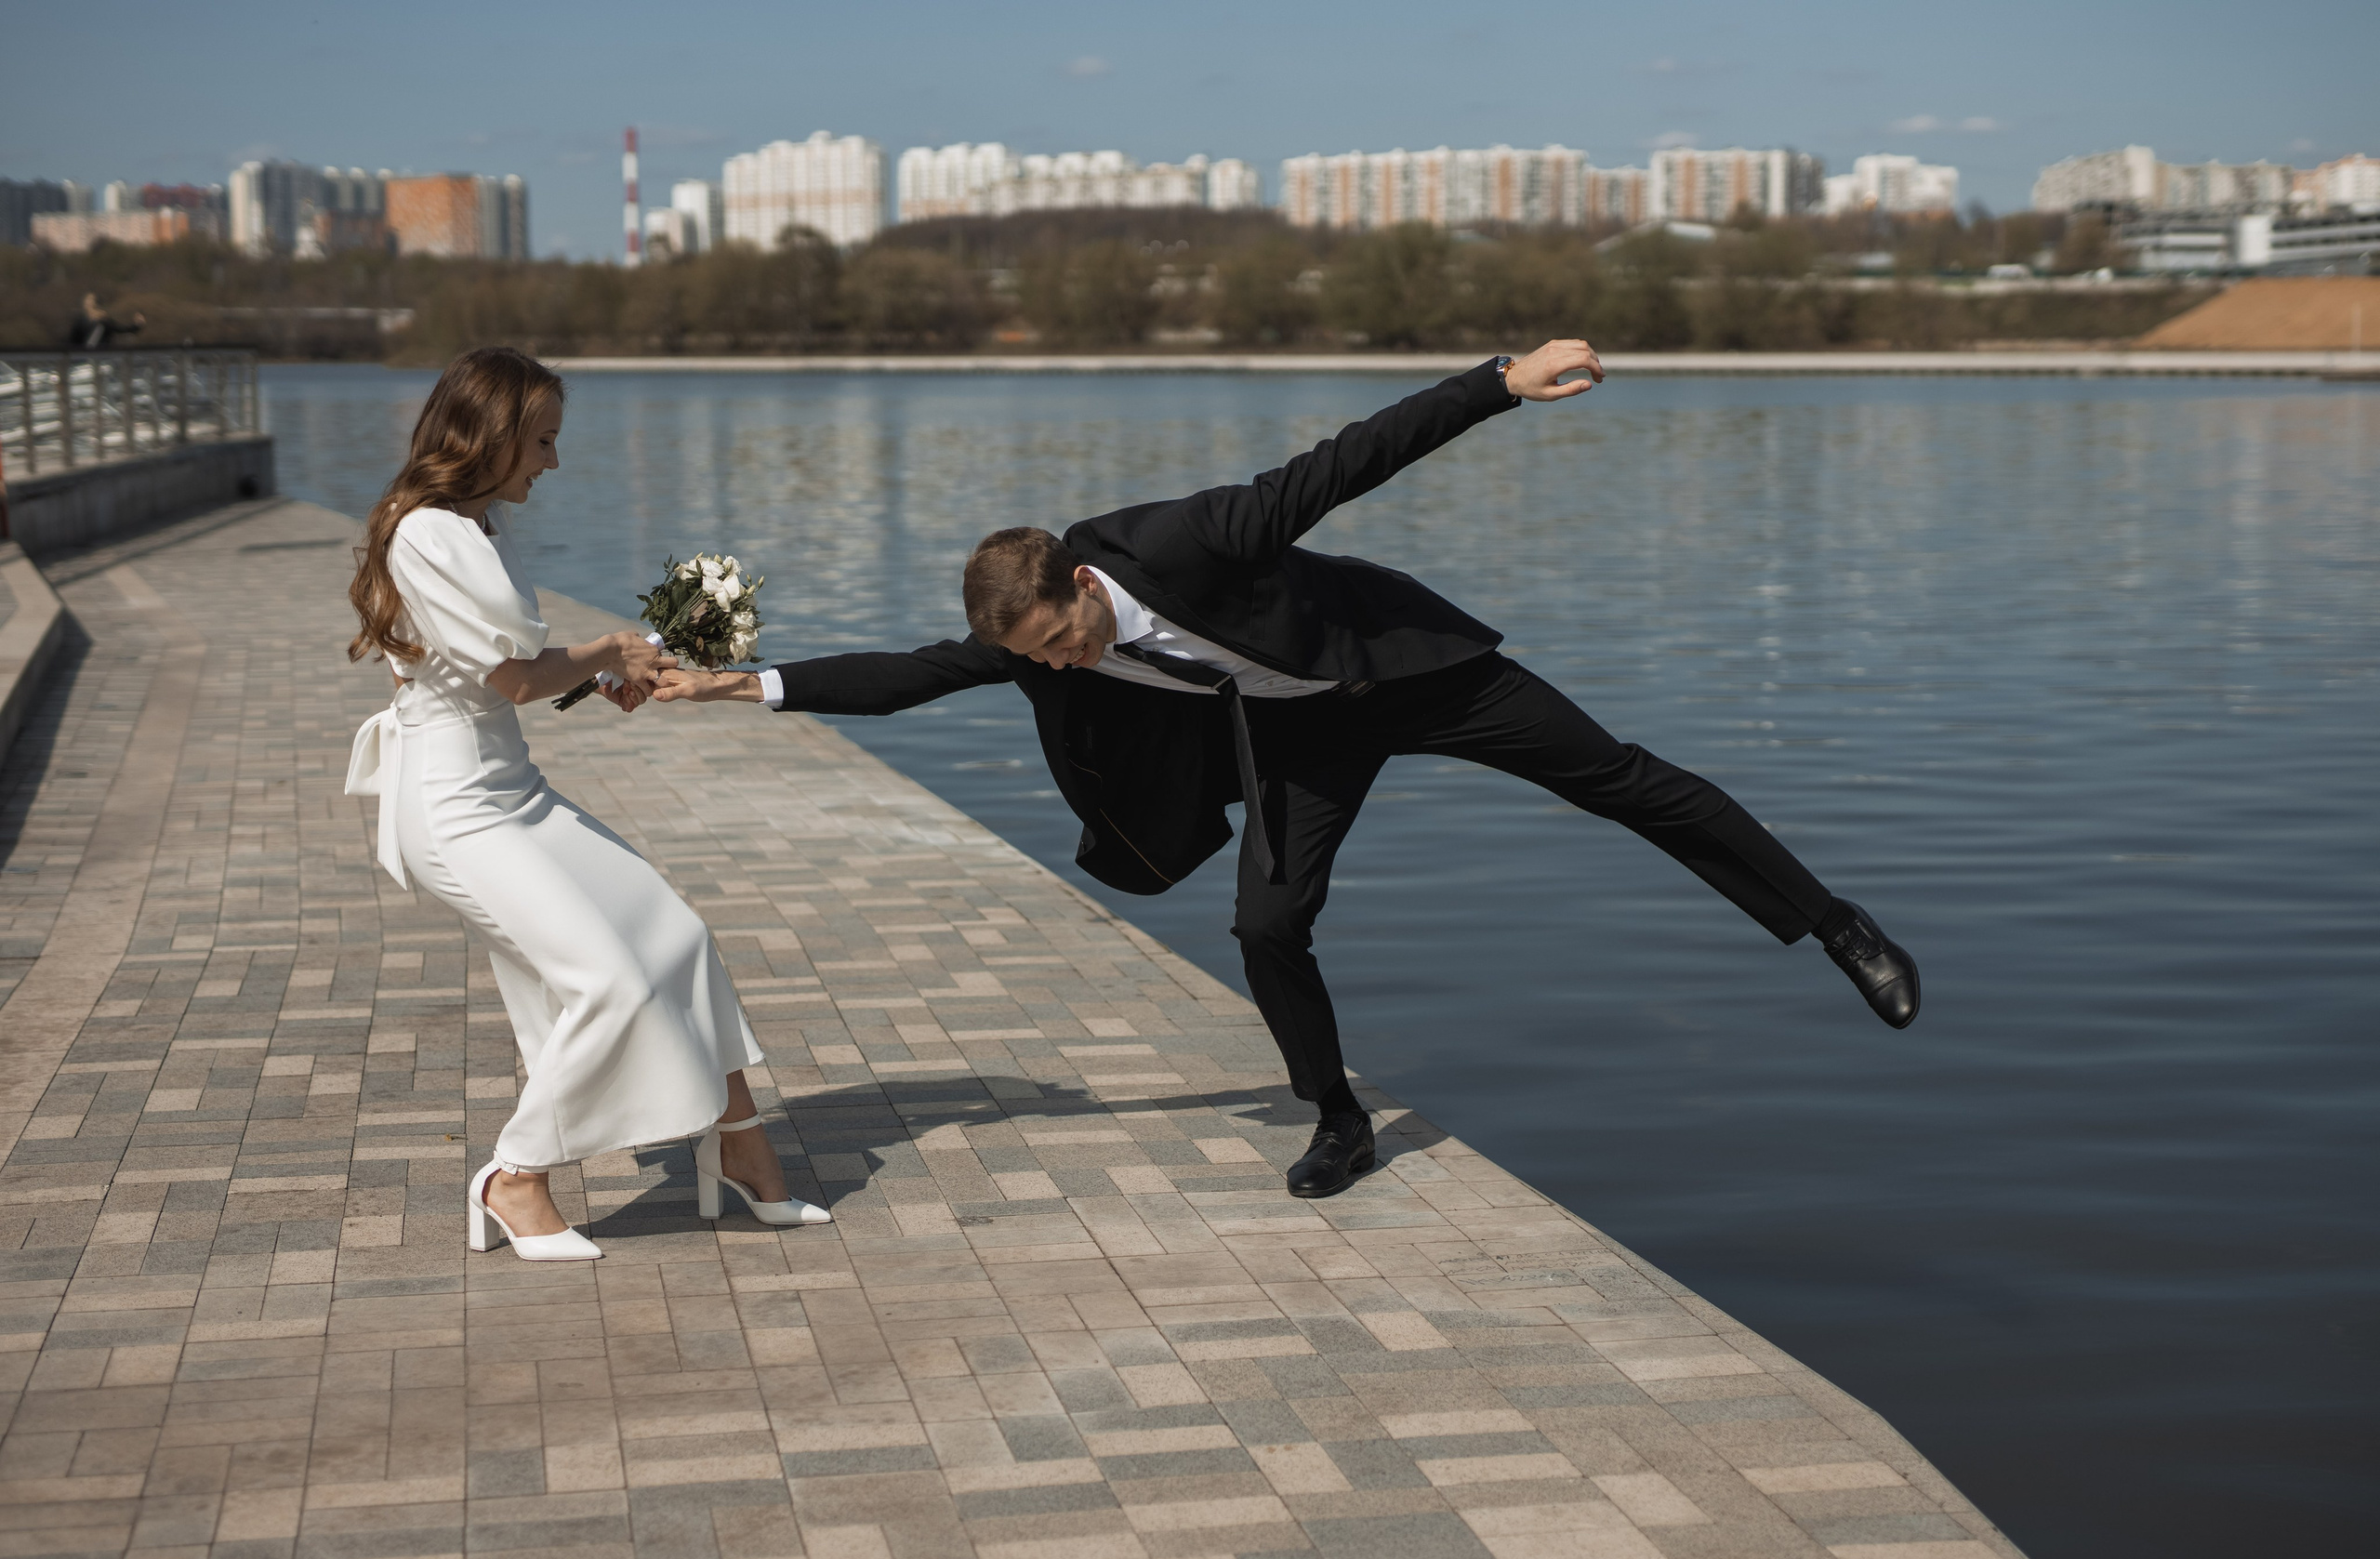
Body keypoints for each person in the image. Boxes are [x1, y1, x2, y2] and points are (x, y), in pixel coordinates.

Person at [654, 342, 1920, 1199]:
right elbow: (915, 671)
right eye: (1040, 656)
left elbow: (1349, 458)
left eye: (1065, 637)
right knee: (1267, 919)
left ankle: (1835, 922)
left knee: (1626, 778)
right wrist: (741, 681)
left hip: (1411, 669)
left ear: (1081, 584)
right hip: (1302, 732)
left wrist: (1502, 382)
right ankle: (1338, 1115)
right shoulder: (1035, 649)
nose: (1066, 662)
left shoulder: (1194, 539)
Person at [344, 346, 828, 1260]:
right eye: (542, 441)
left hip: (508, 788)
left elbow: (502, 672)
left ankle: (741, 1149)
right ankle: (513, 1177)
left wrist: (607, 672)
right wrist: (609, 648)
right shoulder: (429, 532)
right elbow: (515, 677)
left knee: (675, 937)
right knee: (606, 980)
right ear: (489, 436)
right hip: (454, 809)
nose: (552, 463)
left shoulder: (476, 525)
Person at [67, 292, 144, 349]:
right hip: (82, 357)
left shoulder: (103, 320)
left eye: (90, 300)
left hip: (101, 354)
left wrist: (136, 326)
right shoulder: (80, 321)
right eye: (87, 300)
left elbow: (119, 328)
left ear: (95, 303)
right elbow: (73, 339)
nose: (88, 303)